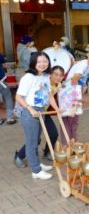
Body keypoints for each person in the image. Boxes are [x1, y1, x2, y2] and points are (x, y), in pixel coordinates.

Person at [14, 52, 59, 180]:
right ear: (34, 63)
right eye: (39, 62)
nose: (42, 64)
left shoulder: (46, 76)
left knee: (36, 140)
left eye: (45, 61)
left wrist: (57, 108)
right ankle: (36, 170)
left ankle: (37, 163)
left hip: (41, 111)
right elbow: (18, 96)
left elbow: (49, 95)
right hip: (30, 112)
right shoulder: (28, 77)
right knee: (32, 142)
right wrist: (30, 108)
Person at [15, 66, 66, 165]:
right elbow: (42, 98)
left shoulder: (57, 84)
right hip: (33, 112)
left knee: (53, 133)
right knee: (35, 139)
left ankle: (47, 152)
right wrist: (55, 91)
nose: (58, 77)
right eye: (56, 74)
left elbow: (51, 99)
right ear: (50, 74)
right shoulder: (43, 82)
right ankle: (19, 156)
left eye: (61, 75)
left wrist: (58, 109)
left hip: (44, 112)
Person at [62, 47, 89, 144]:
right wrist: (78, 97)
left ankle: (72, 142)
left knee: (73, 121)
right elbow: (74, 80)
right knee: (69, 121)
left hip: (74, 93)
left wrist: (83, 89)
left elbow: (82, 81)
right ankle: (67, 144)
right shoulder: (83, 65)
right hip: (69, 94)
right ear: (88, 55)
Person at [0, 53, 16, 125]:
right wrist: (11, 66)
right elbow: (4, 65)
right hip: (1, 81)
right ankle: (10, 118)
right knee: (8, 97)